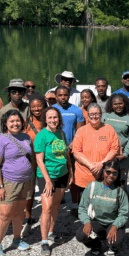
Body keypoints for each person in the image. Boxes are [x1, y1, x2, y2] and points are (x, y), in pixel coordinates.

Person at [0, 110, 36, 256]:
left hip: (25, 181)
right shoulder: (0, 140)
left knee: (18, 213)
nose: (15, 124)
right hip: (9, 182)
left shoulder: (26, 137)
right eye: (12, 121)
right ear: (5, 123)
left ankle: (17, 239)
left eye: (18, 121)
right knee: (4, 215)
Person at [72, 103, 121, 217]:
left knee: (102, 206)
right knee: (86, 207)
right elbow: (76, 152)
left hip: (104, 175)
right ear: (87, 116)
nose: (94, 116)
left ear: (101, 114)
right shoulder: (81, 131)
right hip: (84, 176)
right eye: (91, 114)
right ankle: (87, 228)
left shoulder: (109, 129)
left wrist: (101, 164)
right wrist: (91, 165)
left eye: (96, 114)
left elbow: (114, 149)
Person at [34, 107, 69, 256]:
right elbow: (39, 161)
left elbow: (65, 155)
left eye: (55, 117)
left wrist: (70, 173)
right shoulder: (42, 136)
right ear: (45, 120)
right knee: (46, 209)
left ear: (59, 118)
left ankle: (50, 232)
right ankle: (44, 242)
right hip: (47, 176)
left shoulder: (61, 133)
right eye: (50, 118)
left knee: (55, 205)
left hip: (62, 174)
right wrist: (48, 181)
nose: (53, 120)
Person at [77, 161, 129, 256]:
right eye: (108, 172)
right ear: (103, 172)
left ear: (118, 174)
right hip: (96, 222)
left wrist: (115, 226)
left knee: (115, 242)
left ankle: (112, 247)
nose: (111, 175)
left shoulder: (120, 191)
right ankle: (96, 245)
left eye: (114, 173)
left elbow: (124, 214)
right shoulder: (93, 186)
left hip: (112, 223)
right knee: (81, 235)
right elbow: (82, 208)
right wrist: (87, 222)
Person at [101, 94, 129, 210]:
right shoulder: (105, 117)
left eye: (120, 103)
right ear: (111, 105)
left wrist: (125, 155)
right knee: (106, 180)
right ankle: (105, 207)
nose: (118, 106)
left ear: (125, 104)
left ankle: (121, 208)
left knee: (121, 182)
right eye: (115, 103)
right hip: (106, 156)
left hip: (122, 158)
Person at [53, 86, 85, 214]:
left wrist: (73, 143)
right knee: (55, 176)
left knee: (74, 177)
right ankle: (54, 202)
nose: (63, 97)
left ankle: (75, 204)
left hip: (72, 149)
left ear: (69, 95)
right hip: (55, 149)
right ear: (56, 96)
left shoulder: (76, 110)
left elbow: (80, 131)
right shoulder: (52, 110)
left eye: (65, 95)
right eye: (60, 95)